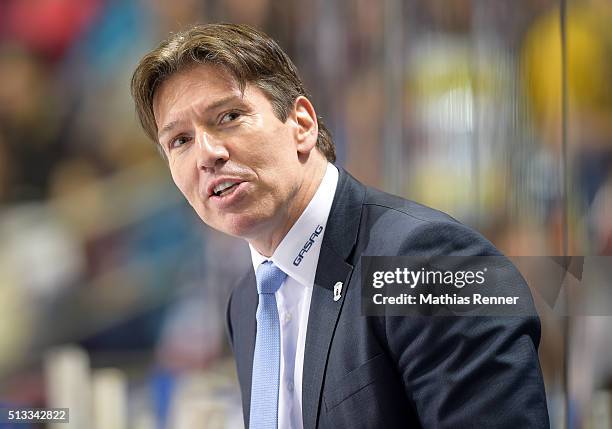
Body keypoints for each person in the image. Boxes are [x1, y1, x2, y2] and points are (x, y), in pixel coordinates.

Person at [131, 23, 550, 428]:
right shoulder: (246, 304)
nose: (207, 153)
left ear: (302, 125)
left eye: (228, 117)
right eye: (179, 140)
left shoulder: (424, 260)